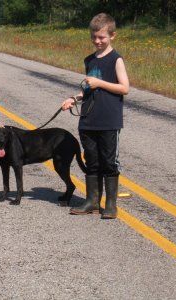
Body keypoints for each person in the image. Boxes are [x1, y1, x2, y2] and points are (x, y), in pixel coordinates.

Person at [61, 13, 129, 219]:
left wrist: (100, 84)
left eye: (102, 37)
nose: (98, 41)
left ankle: (110, 204)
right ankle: (91, 200)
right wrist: (74, 98)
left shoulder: (116, 60)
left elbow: (124, 88)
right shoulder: (89, 60)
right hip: (88, 120)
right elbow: (88, 88)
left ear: (112, 36)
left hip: (108, 120)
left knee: (109, 162)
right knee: (91, 160)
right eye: (94, 37)